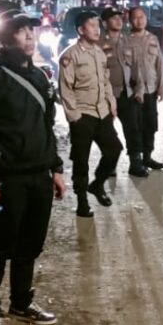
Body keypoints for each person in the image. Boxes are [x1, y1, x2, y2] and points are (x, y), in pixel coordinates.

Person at [0, 13, 66, 325]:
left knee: (31, 244)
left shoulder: (39, 76)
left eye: (31, 32)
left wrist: (55, 168)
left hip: (39, 176)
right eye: (21, 33)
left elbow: (47, 127)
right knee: (1, 243)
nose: (29, 38)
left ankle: (21, 302)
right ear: (7, 39)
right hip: (6, 180)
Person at [59, 11, 122, 217]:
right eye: (92, 26)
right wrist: (74, 116)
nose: (97, 29)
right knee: (81, 160)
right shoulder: (70, 55)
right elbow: (66, 89)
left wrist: (111, 103)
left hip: (102, 112)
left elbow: (105, 82)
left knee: (114, 149)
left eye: (98, 25)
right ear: (80, 30)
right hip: (83, 114)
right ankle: (82, 201)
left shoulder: (99, 53)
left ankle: (97, 184)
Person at [100, 7, 148, 178]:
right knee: (108, 133)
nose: (119, 21)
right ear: (105, 23)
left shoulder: (128, 41)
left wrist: (139, 90)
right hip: (107, 97)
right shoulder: (98, 43)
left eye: (120, 17)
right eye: (114, 18)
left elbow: (137, 67)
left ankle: (136, 164)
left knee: (133, 130)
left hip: (127, 95)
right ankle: (110, 164)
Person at [125, 6, 163, 170]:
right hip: (133, 91)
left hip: (151, 89)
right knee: (135, 127)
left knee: (151, 125)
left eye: (142, 17)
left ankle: (147, 157)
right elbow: (125, 68)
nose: (139, 20)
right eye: (135, 17)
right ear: (130, 21)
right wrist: (134, 90)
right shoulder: (125, 40)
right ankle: (135, 161)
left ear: (146, 18)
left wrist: (162, 88)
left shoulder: (153, 39)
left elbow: (159, 65)